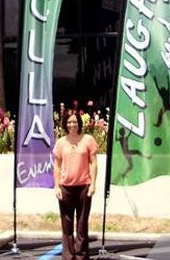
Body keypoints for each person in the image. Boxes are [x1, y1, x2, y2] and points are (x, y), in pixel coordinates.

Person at [53, 111, 98, 260]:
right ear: (65, 124)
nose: (72, 125)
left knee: (82, 224)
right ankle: (68, 255)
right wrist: (56, 186)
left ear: (79, 123)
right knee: (66, 225)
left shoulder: (88, 140)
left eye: (74, 122)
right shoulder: (61, 142)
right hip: (65, 188)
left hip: (84, 187)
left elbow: (94, 163)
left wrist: (93, 184)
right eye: (69, 122)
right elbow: (57, 166)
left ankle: (81, 256)